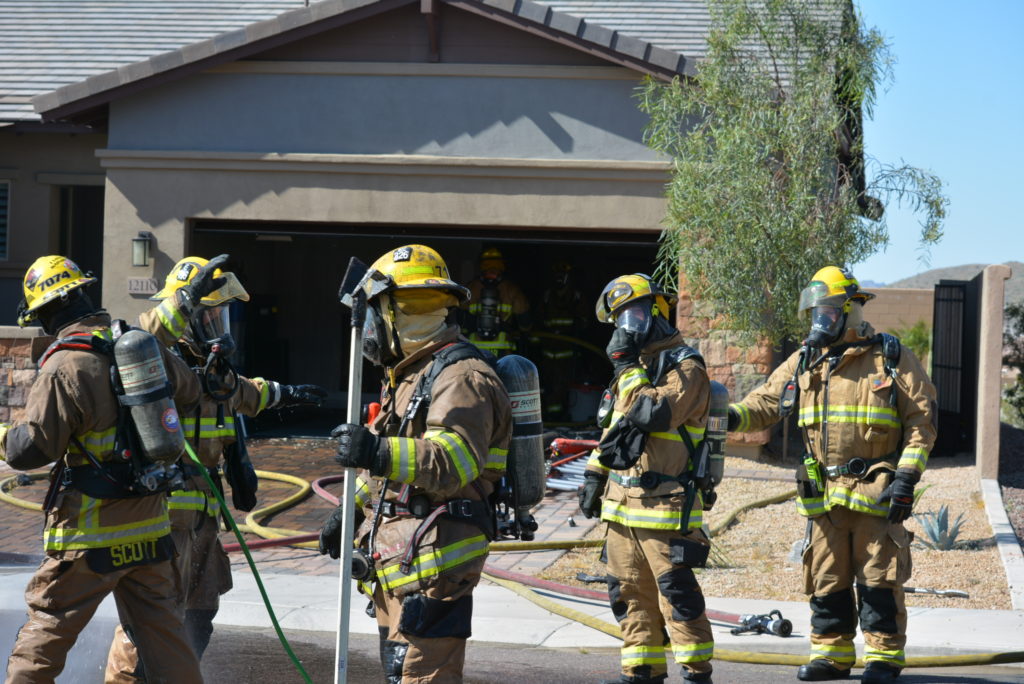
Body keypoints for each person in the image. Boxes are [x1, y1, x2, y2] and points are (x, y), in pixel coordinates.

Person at [105, 255, 327, 678]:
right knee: (148, 619)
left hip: (204, 519)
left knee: (199, 613)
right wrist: (181, 304)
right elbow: (132, 342)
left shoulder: (211, 369)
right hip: (163, 516)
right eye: (208, 316)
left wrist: (287, 394)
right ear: (186, 316)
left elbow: (239, 393)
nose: (216, 327)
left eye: (220, 317)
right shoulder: (154, 362)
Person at [2, 256, 207, 684]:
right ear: (83, 294)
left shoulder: (66, 365)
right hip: (150, 528)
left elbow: (31, 451)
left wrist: (3, 435)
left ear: (47, 312)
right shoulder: (138, 345)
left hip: (90, 536)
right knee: (165, 637)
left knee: (48, 629)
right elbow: (190, 390)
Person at [727, 266, 936, 683]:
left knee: (878, 580)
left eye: (826, 312)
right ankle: (832, 656)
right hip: (823, 495)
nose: (819, 322)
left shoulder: (890, 357)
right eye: (815, 314)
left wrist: (906, 479)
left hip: (876, 493)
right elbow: (766, 402)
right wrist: (729, 417)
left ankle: (883, 659)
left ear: (850, 310)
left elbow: (922, 421)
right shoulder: (806, 360)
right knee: (826, 578)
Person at [318, 244, 512, 683]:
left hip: (438, 560)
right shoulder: (411, 373)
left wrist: (375, 451)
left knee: (422, 677)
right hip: (402, 556)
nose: (369, 329)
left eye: (375, 314)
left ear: (399, 312)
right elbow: (391, 471)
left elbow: (454, 461)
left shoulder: (461, 377)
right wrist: (352, 507)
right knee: (398, 672)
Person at [579, 274, 715, 684]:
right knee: (627, 593)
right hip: (622, 509)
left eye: (636, 314)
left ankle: (696, 673)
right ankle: (641, 671)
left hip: (665, 509)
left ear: (658, 312)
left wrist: (626, 369)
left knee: (676, 597)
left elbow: (653, 413)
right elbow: (615, 430)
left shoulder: (686, 367)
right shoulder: (634, 369)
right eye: (622, 319)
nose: (629, 326)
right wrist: (594, 473)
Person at [536, 260, 588, 421]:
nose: (558, 278)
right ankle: (549, 416)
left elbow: (584, 321)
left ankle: (561, 416)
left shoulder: (576, 297)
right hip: (548, 351)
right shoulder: (547, 296)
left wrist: (571, 331)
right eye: (556, 274)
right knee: (546, 385)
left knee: (564, 385)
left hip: (567, 352)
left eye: (562, 274)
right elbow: (539, 320)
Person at [461, 246, 531, 357]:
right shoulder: (511, 289)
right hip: (502, 348)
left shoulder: (471, 288)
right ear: (502, 265)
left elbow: (460, 319)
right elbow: (524, 322)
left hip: (476, 348)